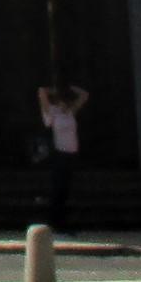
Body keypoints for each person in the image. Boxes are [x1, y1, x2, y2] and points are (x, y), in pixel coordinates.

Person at [36, 81, 89, 228]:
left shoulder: (70, 112)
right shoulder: (52, 113)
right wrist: (53, 90)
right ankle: (54, 221)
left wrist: (72, 87)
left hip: (72, 154)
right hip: (60, 154)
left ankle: (63, 220)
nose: (65, 103)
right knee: (57, 188)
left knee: (66, 188)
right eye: (62, 100)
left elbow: (84, 95)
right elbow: (41, 91)